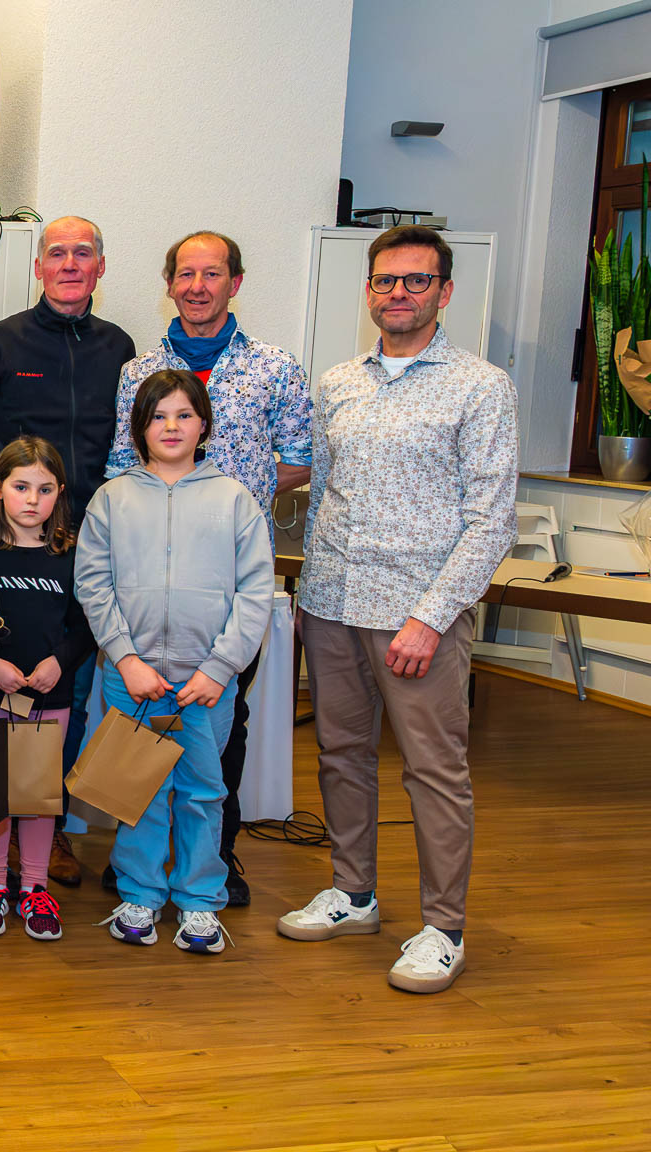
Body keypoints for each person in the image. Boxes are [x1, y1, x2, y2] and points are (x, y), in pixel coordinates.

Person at [278, 225, 516, 994]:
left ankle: (443, 929)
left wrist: (431, 617)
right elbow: (324, 496)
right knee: (340, 754)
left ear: (445, 292)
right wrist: (310, 593)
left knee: (433, 772)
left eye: (416, 280)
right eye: (385, 280)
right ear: (369, 291)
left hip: (418, 617)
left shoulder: (480, 386)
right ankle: (354, 894)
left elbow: (492, 521)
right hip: (334, 603)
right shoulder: (339, 382)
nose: (399, 293)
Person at [104, 230, 311, 906]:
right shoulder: (138, 371)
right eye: (186, 274)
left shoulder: (274, 367)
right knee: (138, 727)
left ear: (235, 283)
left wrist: (223, 503)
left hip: (226, 589)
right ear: (169, 284)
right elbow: (121, 461)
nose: (198, 286)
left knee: (222, 723)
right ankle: (136, 868)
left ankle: (213, 861)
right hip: (145, 589)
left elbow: (301, 456)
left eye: (212, 273)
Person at [0, 215, 134, 882]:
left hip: (89, 546)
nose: (69, 264)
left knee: (67, 695)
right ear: (38, 267)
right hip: (10, 547)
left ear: (100, 267)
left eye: (83, 253)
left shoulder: (120, 347)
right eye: (56, 253)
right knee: (1, 696)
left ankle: (45, 830)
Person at [76, 370, 272, 954]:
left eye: (184, 415)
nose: (171, 426)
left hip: (205, 682)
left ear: (203, 425)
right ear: (139, 427)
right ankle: (139, 893)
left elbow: (255, 591)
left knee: (202, 793)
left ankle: (200, 900)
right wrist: (125, 658)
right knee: (135, 791)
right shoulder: (112, 499)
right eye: (158, 416)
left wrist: (220, 668)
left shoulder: (233, 499)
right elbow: (93, 584)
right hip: (133, 677)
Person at [0, 436, 92, 943]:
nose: (32, 500)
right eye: (21, 487)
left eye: (44, 489)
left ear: (59, 492)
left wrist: (60, 662)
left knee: (38, 797)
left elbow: (86, 624)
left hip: (49, 698)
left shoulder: (71, 554)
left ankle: (35, 887)